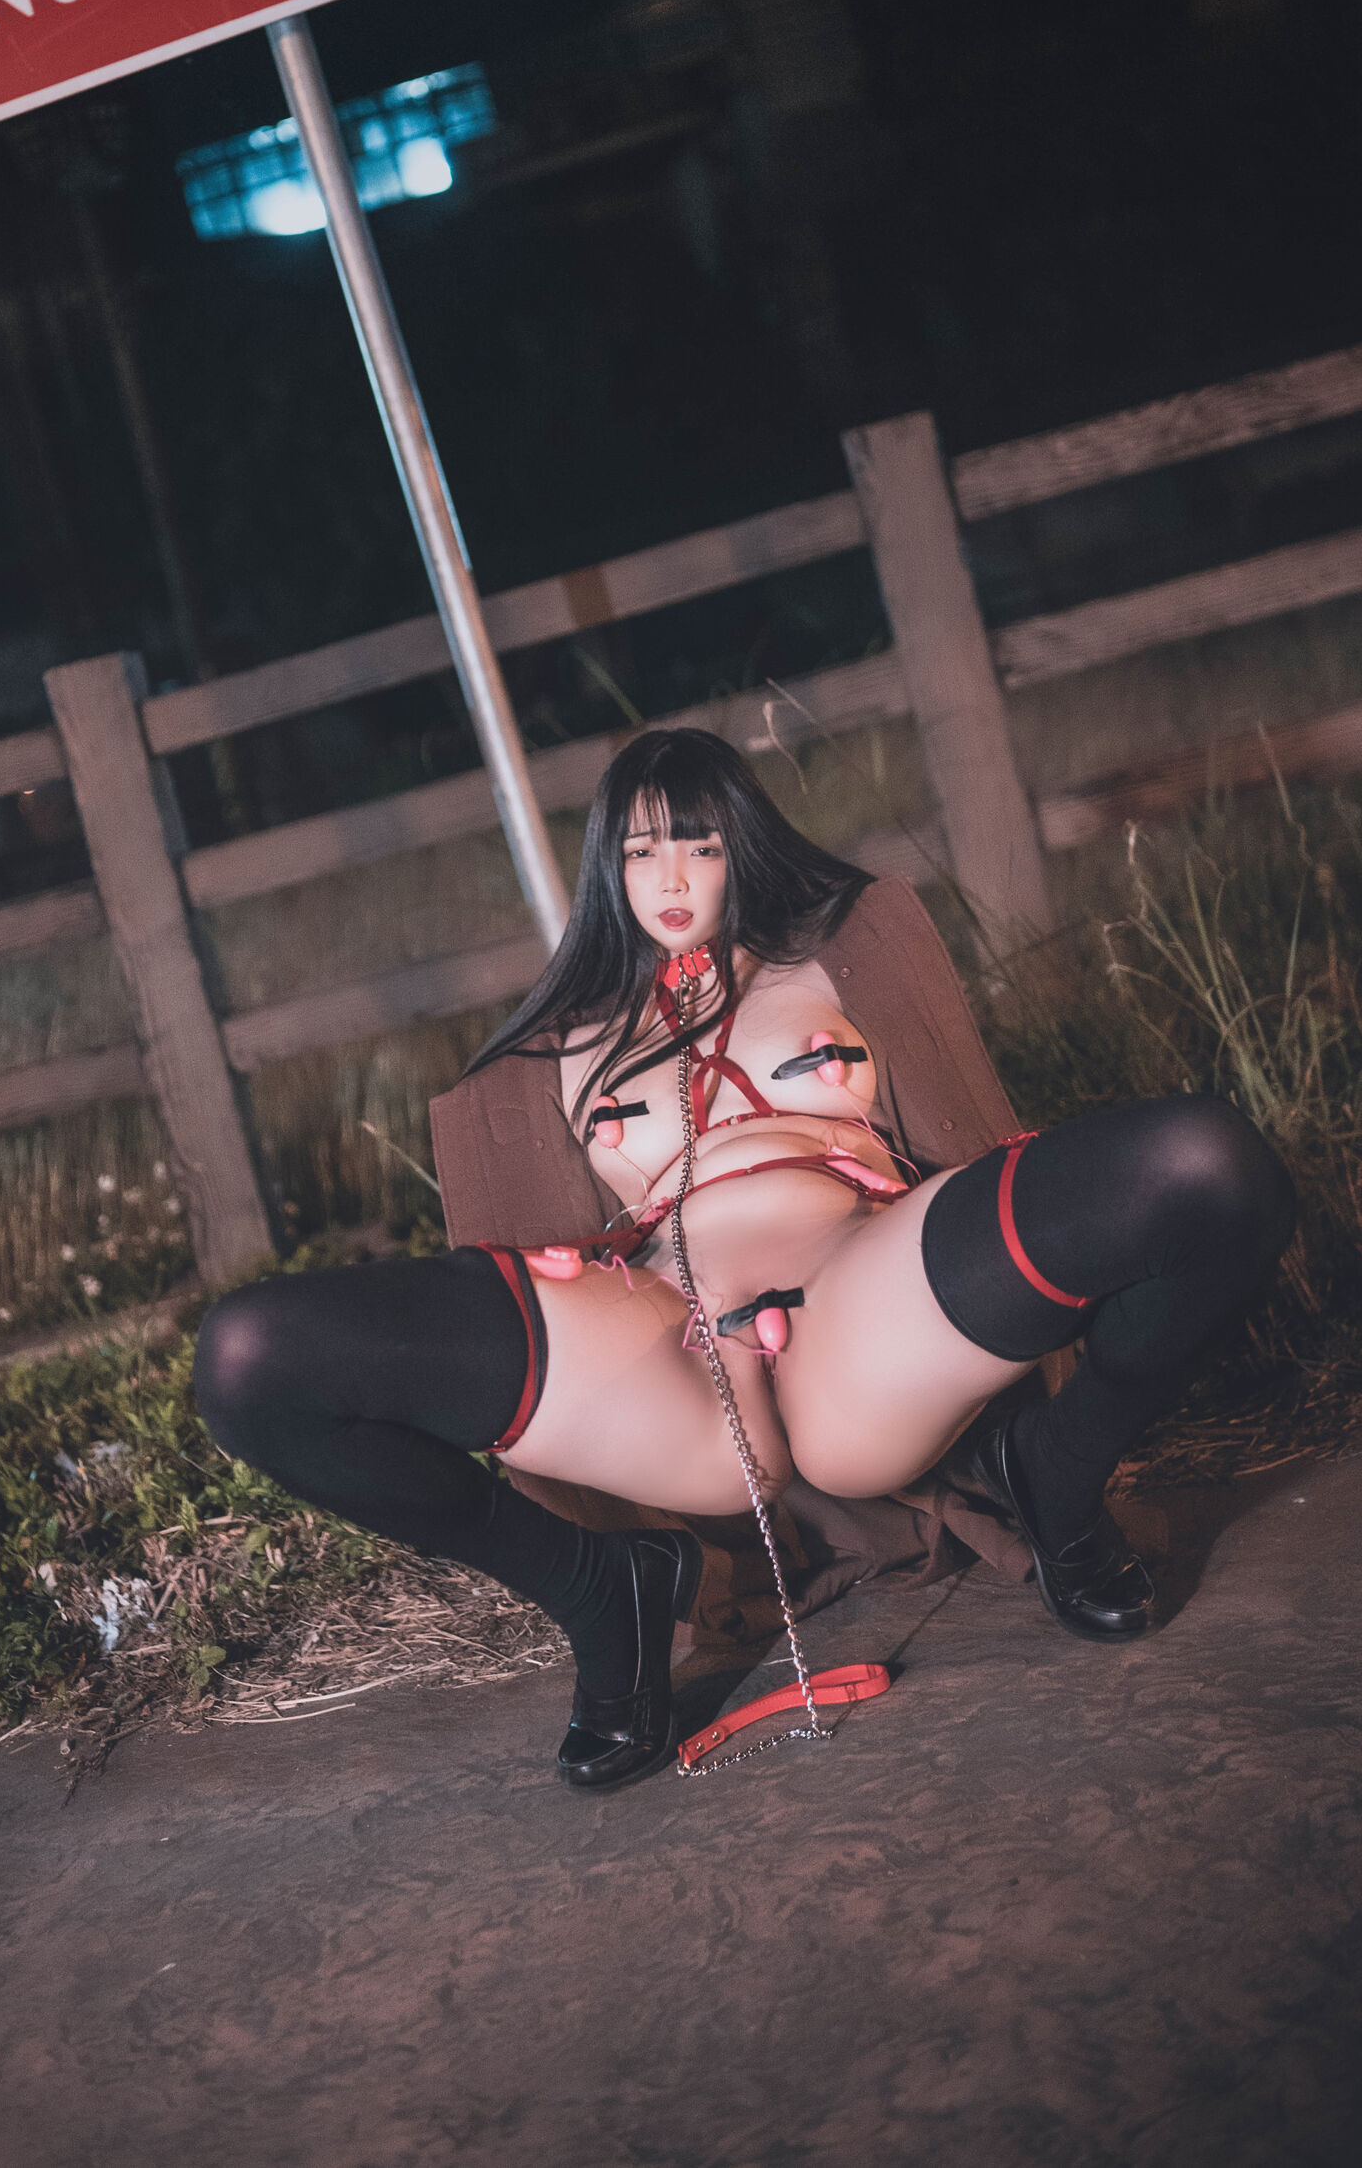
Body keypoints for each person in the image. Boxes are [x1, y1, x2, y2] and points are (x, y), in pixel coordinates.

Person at [195, 729, 1295, 1790]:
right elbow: (521, 1223)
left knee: (1205, 1164)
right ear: (606, 868)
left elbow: (957, 1110)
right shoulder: (554, 1048)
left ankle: (1055, 1470)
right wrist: (544, 1268)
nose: (669, 876)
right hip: (663, 1331)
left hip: (859, 1276)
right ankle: (597, 1592)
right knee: (249, 1360)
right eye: (640, 850)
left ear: (744, 847)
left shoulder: (833, 958)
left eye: (700, 844)